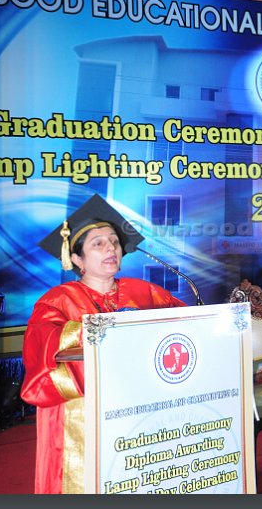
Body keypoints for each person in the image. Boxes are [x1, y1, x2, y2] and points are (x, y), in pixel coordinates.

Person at [20, 194, 187, 494]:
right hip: (83, 412)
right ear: (76, 259)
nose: (111, 248)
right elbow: (43, 347)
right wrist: (104, 330)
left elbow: (186, 324)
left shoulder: (145, 292)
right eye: (98, 244)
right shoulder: (58, 300)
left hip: (141, 408)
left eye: (114, 242)